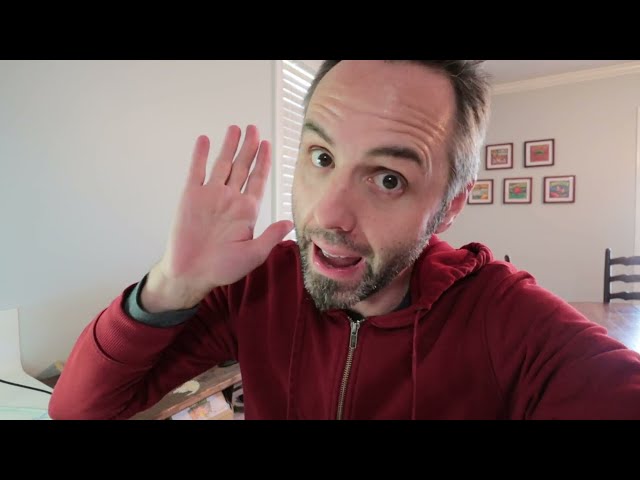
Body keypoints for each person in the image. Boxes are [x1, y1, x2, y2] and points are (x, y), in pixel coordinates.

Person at [49, 60, 640, 420]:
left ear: (450, 207)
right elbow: (80, 408)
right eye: (322, 157)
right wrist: (171, 285)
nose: (328, 214)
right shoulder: (257, 287)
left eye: (389, 179)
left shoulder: (506, 319)